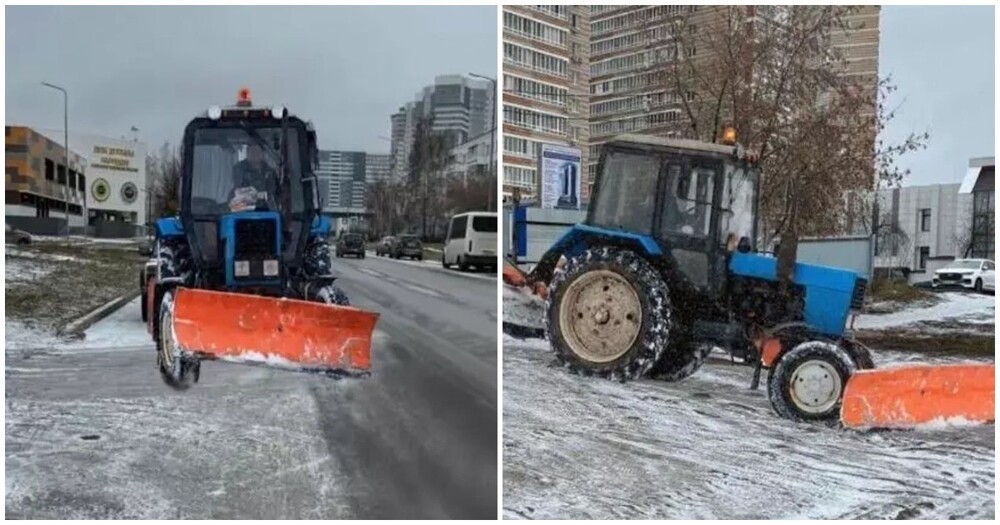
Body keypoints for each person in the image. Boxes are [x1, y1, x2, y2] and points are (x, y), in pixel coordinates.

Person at [228, 144, 277, 211]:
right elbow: (237, 188)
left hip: (265, 209)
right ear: (247, 154)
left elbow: (273, 193)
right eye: (252, 152)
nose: (254, 155)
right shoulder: (239, 169)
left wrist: (261, 195)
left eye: (257, 152)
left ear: (262, 154)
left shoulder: (269, 172)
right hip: (242, 208)